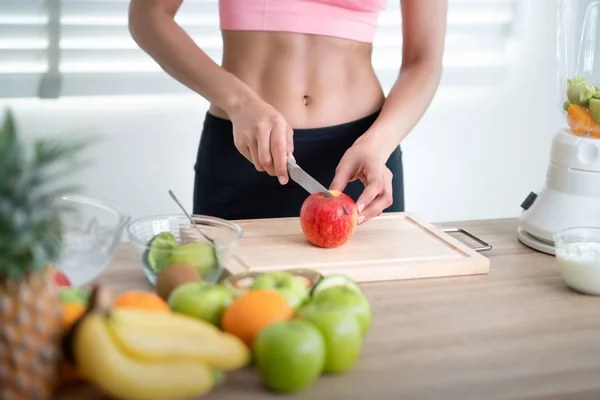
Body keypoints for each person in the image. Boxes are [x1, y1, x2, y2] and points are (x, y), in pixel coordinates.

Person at [128, 0, 446, 224]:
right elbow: (149, 15)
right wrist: (239, 102)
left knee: (376, 307)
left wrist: (378, 144)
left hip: (362, 162)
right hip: (247, 150)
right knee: (228, 308)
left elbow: (424, 60)